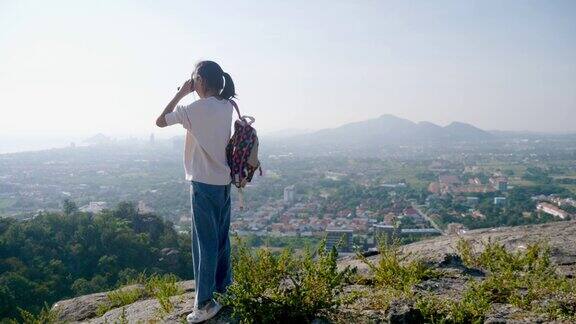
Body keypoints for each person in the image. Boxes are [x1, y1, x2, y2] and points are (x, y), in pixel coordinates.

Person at [155, 60, 235, 323]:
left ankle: (204, 303)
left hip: (202, 183)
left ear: (199, 80)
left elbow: (160, 121)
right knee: (222, 241)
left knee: (204, 245)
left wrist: (181, 92)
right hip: (224, 182)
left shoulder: (194, 108)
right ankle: (226, 291)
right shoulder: (227, 106)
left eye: (193, 78)